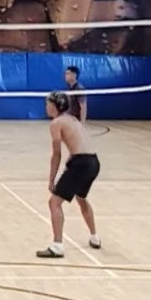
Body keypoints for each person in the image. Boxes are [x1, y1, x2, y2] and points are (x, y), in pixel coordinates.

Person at [37, 91, 100, 258]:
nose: (46, 107)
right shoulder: (73, 119)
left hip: (81, 163)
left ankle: (57, 246)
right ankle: (95, 237)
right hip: (93, 162)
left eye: (48, 104)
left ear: (56, 106)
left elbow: (56, 154)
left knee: (54, 203)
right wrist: (69, 166)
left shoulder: (56, 123)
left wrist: (51, 180)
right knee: (81, 198)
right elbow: (79, 146)